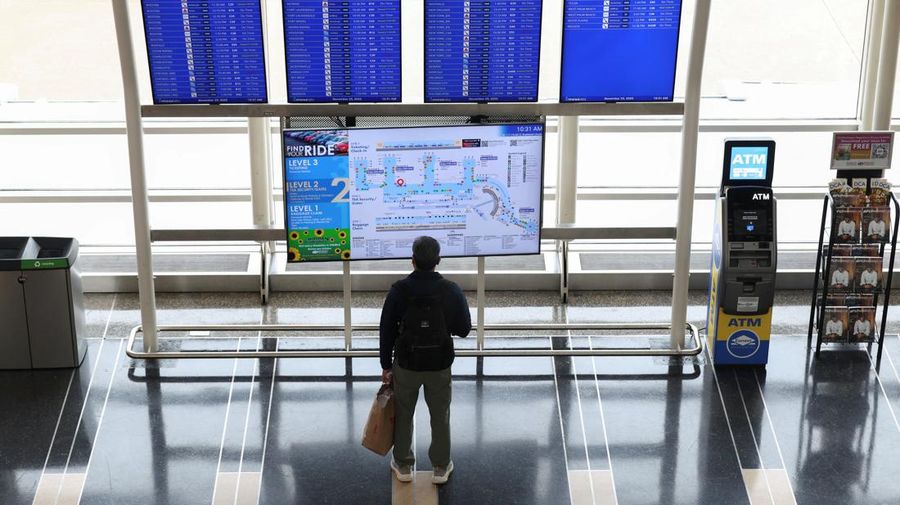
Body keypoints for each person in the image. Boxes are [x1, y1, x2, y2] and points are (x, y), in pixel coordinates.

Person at [379, 236, 471, 485]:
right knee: (440, 414)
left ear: (413, 260)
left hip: (407, 364)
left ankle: (403, 464)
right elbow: (464, 329)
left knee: (404, 412)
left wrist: (386, 365)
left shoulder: (399, 290)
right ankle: (441, 466)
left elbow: (386, 329)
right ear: (438, 261)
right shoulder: (451, 289)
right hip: (439, 363)